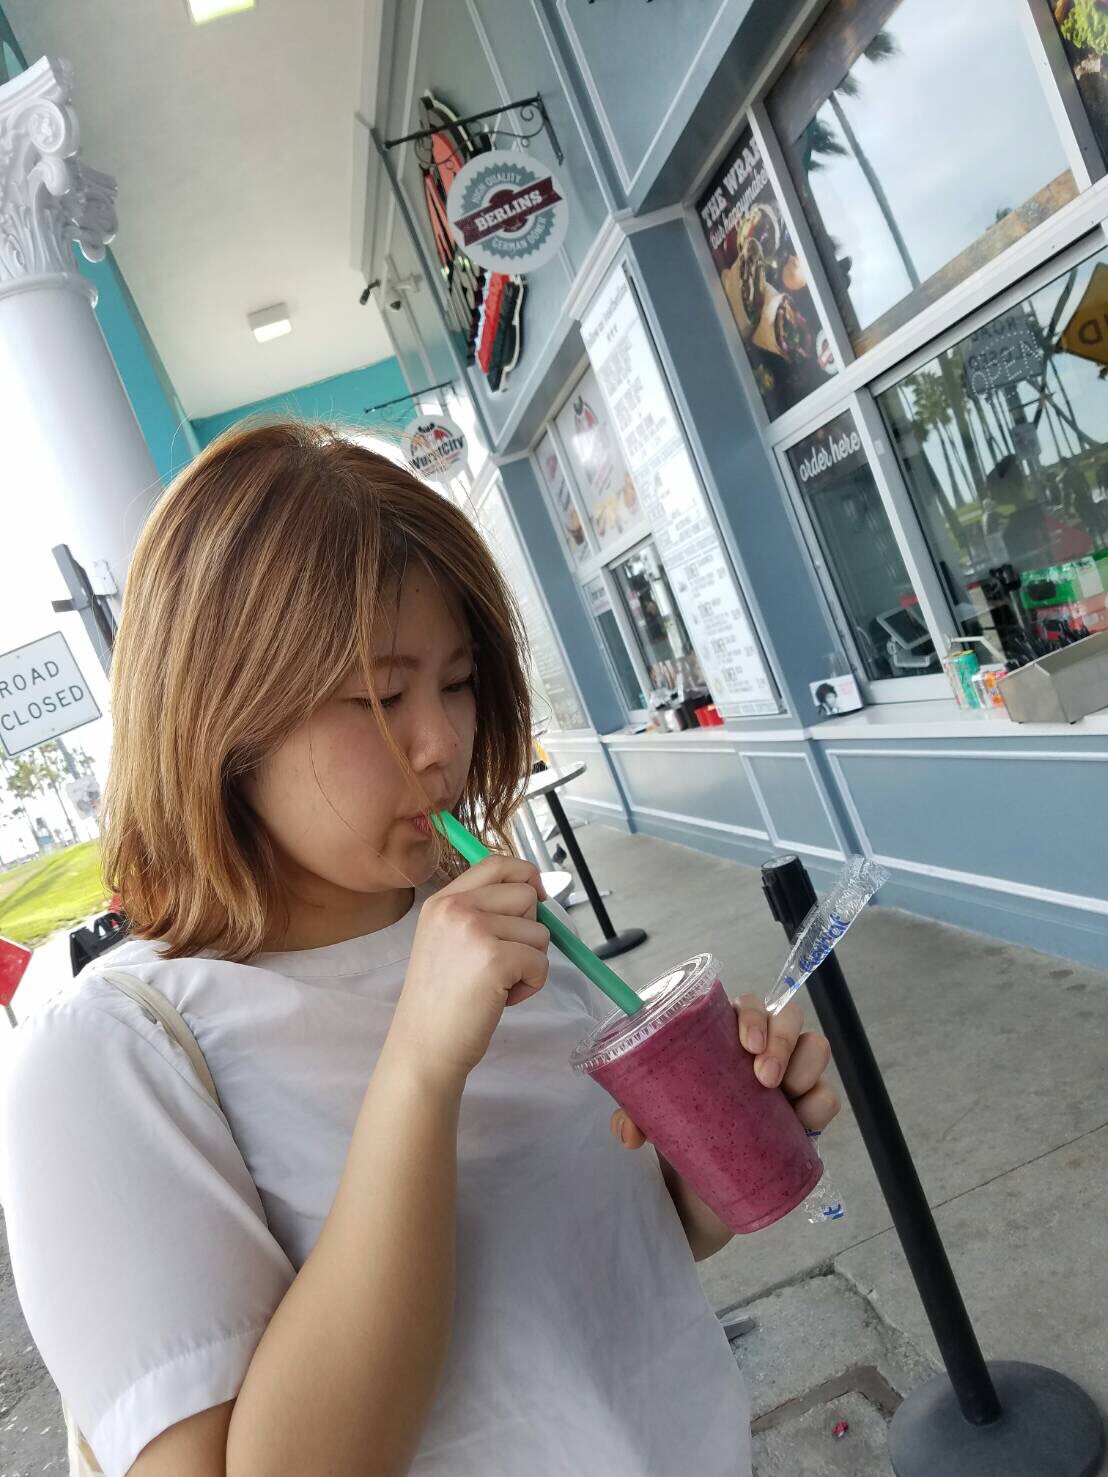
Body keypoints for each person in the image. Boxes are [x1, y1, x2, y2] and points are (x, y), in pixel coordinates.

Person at [0, 423, 839, 1477]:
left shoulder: (491, 932)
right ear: (223, 720)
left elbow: (619, 1263)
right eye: (379, 697)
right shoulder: (111, 1057)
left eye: (458, 680)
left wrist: (725, 1140)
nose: (442, 741)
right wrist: (419, 1070)